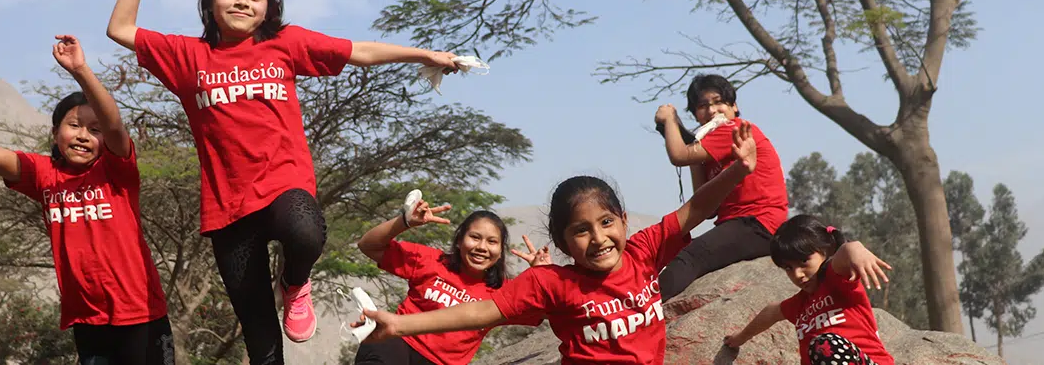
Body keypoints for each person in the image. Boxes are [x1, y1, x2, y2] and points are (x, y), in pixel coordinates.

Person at [105, 0, 460, 363]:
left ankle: (295, 282)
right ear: (210, 3)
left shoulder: (284, 43)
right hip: (228, 208)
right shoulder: (187, 55)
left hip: (283, 185)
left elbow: (359, 51)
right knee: (261, 338)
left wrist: (423, 55)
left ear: (268, 8)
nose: (242, 2)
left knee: (304, 230)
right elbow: (120, 29)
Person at [356, 123, 760, 364]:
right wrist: (398, 324)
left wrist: (738, 170)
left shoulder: (644, 251)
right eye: (581, 230)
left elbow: (698, 206)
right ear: (563, 242)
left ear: (622, 220)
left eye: (605, 222)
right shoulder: (551, 283)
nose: (599, 238)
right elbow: (480, 312)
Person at [0, 35, 173, 364]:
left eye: (93, 130)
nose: (83, 135)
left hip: (140, 313)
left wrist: (80, 69)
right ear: (55, 133)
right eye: (74, 125)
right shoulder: (45, 174)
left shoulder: (117, 171)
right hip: (87, 319)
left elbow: (114, 124)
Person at [353, 193, 548, 365]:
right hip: (398, 343)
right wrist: (404, 221)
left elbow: (552, 311)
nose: (482, 247)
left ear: (500, 252)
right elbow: (368, 246)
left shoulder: (505, 292)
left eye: (492, 242)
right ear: (459, 241)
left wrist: (543, 275)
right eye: (475, 237)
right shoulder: (431, 261)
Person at [655, 74, 789, 300]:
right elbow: (707, 206)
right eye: (703, 106)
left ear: (734, 107)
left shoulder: (732, 129)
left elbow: (678, 155)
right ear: (696, 114)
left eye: (719, 102)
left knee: (689, 259)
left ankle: (643, 315)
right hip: (740, 223)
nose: (712, 110)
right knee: (678, 256)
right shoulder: (710, 146)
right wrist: (693, 151)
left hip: (757, 221)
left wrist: (668, 120)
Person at [724, 215, 894, 365]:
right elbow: (771, 312)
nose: (798, 274)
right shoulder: (800, 304)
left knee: (824, 346)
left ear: (826, 251)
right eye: (788, 268)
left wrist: (857, 250)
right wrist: (740, 338)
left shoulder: (836, 280)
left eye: (804, 261)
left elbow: (845, 252)